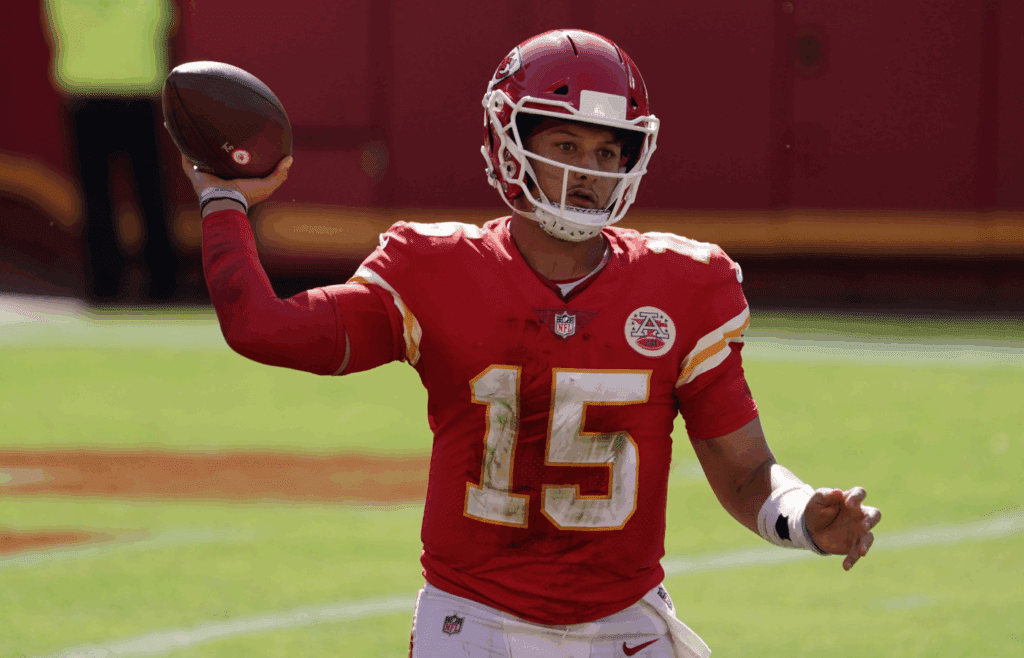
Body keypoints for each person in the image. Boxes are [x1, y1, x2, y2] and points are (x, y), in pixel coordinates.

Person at [182, 29, 881, 658]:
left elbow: (746, 471)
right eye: (567, 146)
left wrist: (798, 516)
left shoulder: (684, 285)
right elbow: (264, 328)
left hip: (625, 627)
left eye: (608, 150)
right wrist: (223, 199)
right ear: (508, 143)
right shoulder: (435, 269)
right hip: (475, 625)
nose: (591, 170)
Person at [43, 0, 180, 301]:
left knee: (97, 199)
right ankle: (164, 287)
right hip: (137, 91)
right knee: (151, 194)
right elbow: (168, 22)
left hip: (85, 91)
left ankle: (104, 288)